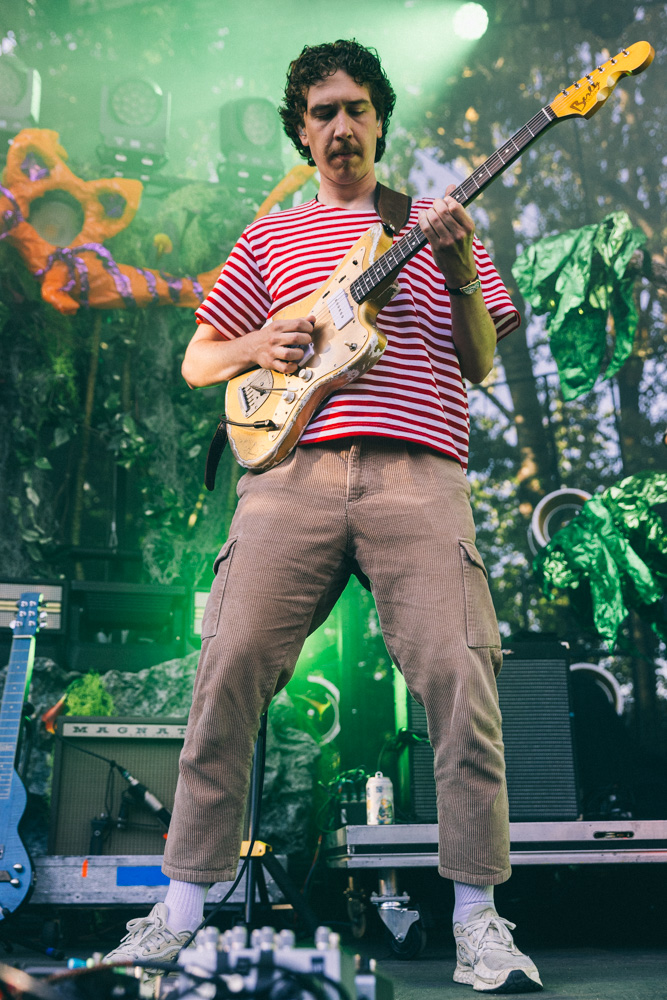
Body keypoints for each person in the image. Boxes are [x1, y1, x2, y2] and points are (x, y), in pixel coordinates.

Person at [104, 39, 543, 994]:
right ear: (299, 132)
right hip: (289, 475)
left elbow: (477, 362)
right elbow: (199, 362)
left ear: (380, 117)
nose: (339, 125)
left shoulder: (435, 223)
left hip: (419, 474)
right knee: (225, 672)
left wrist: (463, 266)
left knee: (461, 682)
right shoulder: (267, 240)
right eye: (320, 113)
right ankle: (175, 908)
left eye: (354, 107)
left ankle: (478, 918)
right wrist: (263, 337)